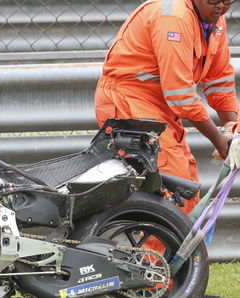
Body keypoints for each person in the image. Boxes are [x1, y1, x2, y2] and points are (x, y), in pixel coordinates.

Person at [95, 0, 239, 214]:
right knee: (169, 191)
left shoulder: (214, 21)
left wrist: (233, 128)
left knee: (185, 188)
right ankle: (155, 248)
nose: (221, 6)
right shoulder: (173, 18)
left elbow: (219, 81)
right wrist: (219, 141)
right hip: (131, 102)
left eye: (228, 1)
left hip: (160, 107)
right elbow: (179, 94)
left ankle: (174, 246)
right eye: (213, 0)